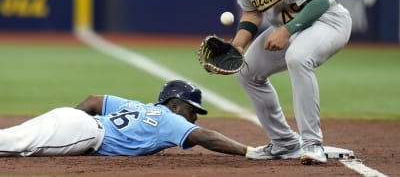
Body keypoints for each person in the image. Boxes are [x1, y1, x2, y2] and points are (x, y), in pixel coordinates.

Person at [215, 0, 352, 165]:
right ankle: (284, 143)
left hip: (328, 20)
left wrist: (287, 31)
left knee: (298, 57)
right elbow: (252, 13)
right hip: (291, 28)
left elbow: (319, 2)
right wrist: (236, 48)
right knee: (245, 71)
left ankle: (312, 143)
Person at [0, 80, 267, 159]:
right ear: (174, 105)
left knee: (13, 136)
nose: (194, 116)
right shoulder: (170, 120)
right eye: (191, 109)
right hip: (84, 131)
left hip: (69, 118)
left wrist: (70, 119)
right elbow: (205, 137)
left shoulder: (137, 106)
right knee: (15, 146)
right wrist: (248, 151)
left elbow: (93, 99)